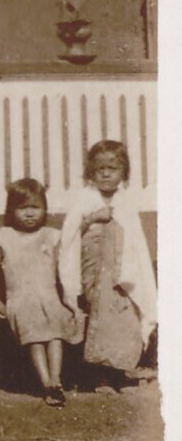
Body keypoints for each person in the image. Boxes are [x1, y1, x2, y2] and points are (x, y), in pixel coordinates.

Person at [58, 140, 157, 387]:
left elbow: (136, 244)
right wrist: (93, 218)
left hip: (121, 275)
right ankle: (98, 377)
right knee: (97, 318)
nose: (105, 174)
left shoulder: (125, 203)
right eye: (99, 168)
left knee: (123, 318)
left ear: (124, 172)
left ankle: (118, 372)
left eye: (112, 168)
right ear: (91, 171)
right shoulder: (84, 199)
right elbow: (70, 236)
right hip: (93, 273)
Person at [0, 178, 78, 406]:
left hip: (49, 297)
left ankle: (56, 379)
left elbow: (66, 268)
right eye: (23, 208)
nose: (30, 213)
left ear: (44, 208)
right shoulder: (4, 237)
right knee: (35, 337)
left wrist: (70, 298)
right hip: (21, 299)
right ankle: (46, 383)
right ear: (12, 210)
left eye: (35, 207)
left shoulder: (51, 236)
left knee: (55, 333)